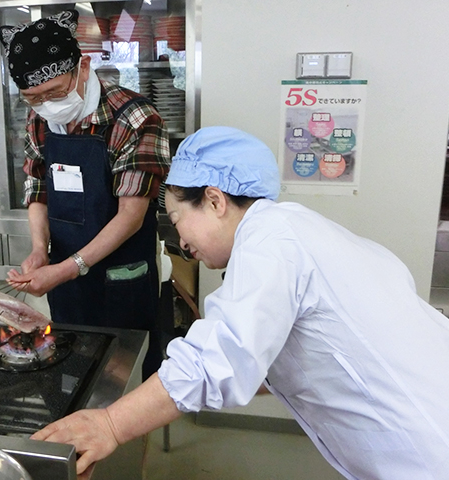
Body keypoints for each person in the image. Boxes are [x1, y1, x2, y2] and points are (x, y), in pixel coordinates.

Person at [30, 126, 449, 480]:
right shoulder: (303, 232)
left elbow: (218, 360)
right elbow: (276, 359)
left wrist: (111, 423)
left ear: (214, 200)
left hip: (424, 450)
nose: (184, 245)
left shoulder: (272, 239)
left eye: (178, 221)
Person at [0, 10, 170, 378]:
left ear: (84, 66)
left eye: (55, 92)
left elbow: (130, 216)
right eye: (33, 98)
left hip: (121, 277)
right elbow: (38, 189)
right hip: (65, 282)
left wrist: (66, 269)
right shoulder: (41, 120)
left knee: (126, 378)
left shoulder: (135, 117)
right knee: (73, 371)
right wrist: (37, 249)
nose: (46, 104)